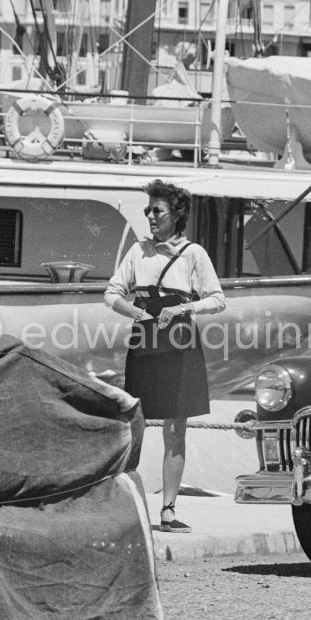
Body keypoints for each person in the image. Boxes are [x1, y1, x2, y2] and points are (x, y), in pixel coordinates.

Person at [104, 179, 226, 533]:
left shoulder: (193, 254)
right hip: (145, 336)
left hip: (180, 339)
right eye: (148, 211)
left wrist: (185, 307)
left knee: (175, 428)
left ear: (176, 215)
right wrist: (136, 314)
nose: (150, 217)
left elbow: (217, 300)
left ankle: (168, 510)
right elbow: (112, 293)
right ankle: (122, 503)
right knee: (135, 421)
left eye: (156, 211)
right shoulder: (137, 251)